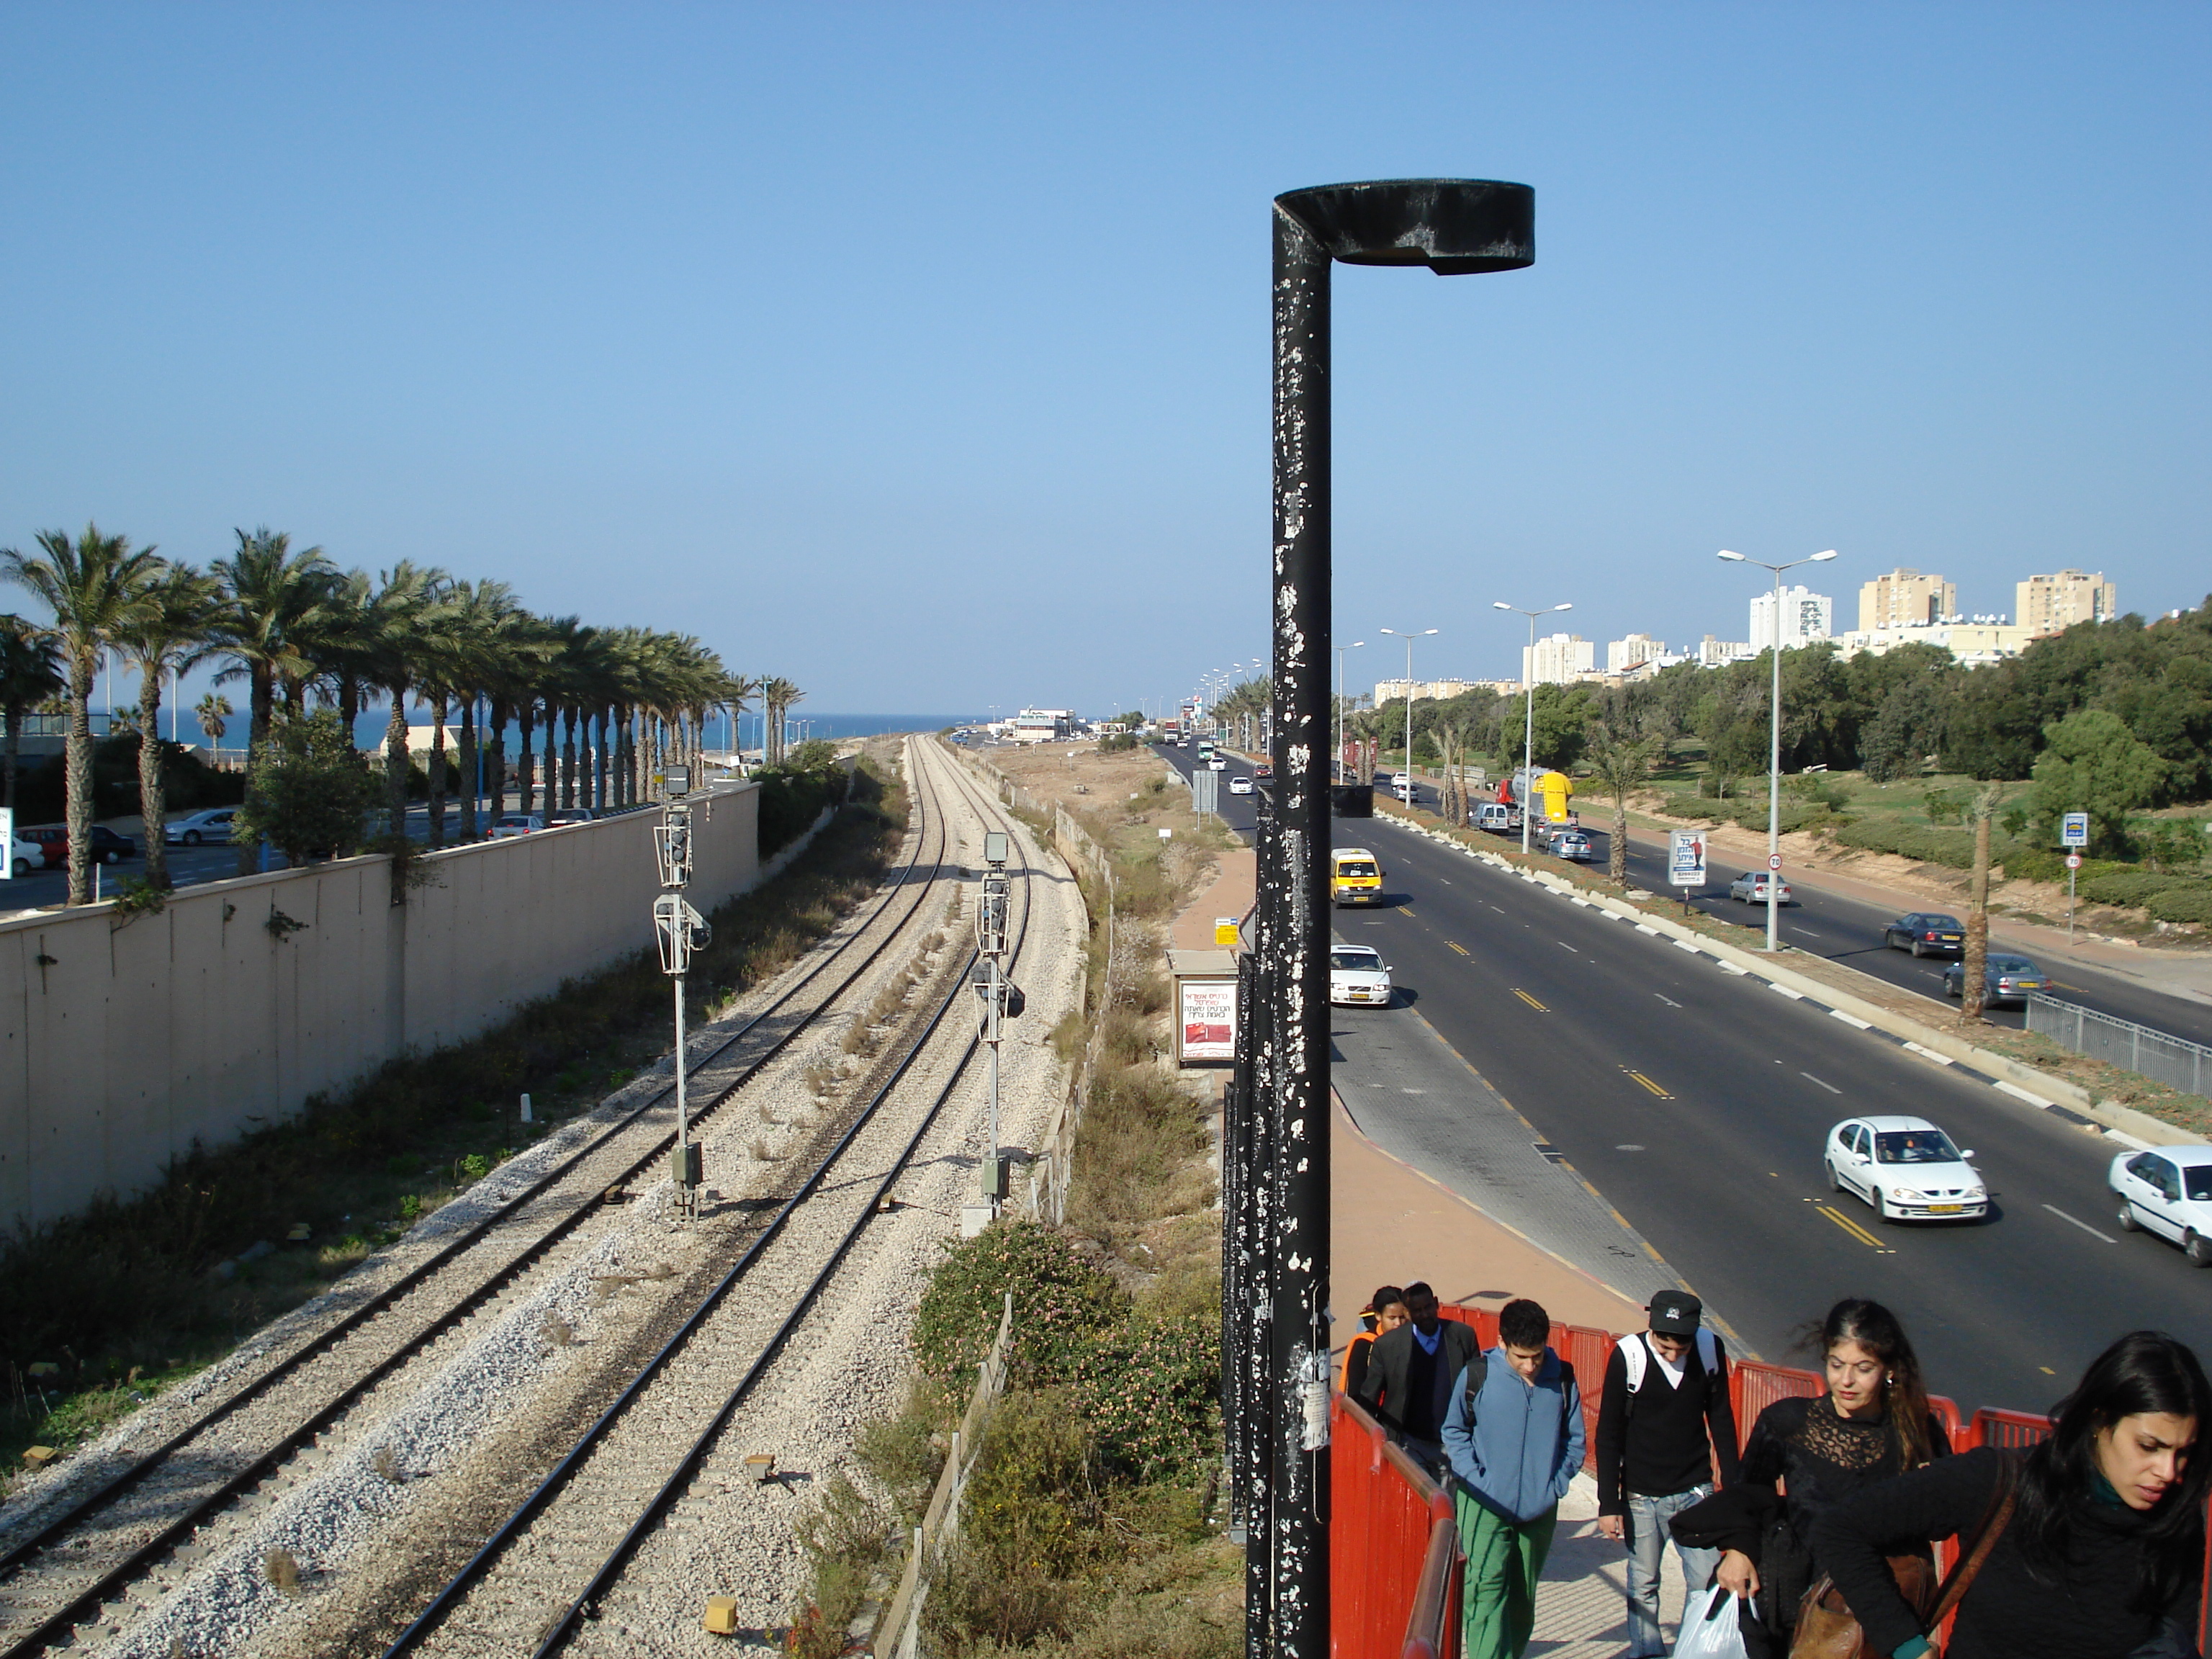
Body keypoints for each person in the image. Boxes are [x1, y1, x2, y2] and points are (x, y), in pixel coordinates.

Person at [1817, 1330, 2208, 1659]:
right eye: (2149, 1446)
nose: (2168, 1472)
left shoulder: (2178, 1520)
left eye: (2184, 1452)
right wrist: (1905, 1645)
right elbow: (1841, 1529)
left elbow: (2175, 1634)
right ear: (2098, 1421)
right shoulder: (1998, 1479)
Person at [1671, 1297, 1950, 1656]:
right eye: (1837, 1365)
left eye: (1863, 1368)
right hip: (1798, 1599)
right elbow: (1749, 1494)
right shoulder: (1788, 1422)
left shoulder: (1917, 1431)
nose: (1846, 1381)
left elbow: (1941, 1524)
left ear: (1889, 1370)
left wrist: (1931, 1494)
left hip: (1884, 1607)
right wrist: (1738, 1550)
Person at [1594, 1290, 1741, 1659]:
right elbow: (1609, 1434)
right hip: (1642, 1495)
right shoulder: (1627, 1357)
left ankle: (1696, 1651)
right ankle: (1648, 1653)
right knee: (1643, 1583)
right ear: (1651, 1329)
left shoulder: (1709, 1351)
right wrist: (1608, 1504)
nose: (1674, 1354)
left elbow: (1721, 1420)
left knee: (1706, 1584)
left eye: (1682, 1347)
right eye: (1665, 1346)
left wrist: (1736, 1491)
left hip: (1696, 1490)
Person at [1442, 1298, 1585, 1659]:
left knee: (1523, 1597)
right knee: (1484, 1590)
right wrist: (1477, 1481)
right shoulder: (1478, 1374)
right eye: (1522, 1356)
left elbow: (1575, 1441)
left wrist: (1554, 1486)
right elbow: (1454, 1431)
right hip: (1482, 1506)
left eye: (1537, 1356)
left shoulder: (1562, 1378)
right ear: (1503, 1342)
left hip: (1538, 1512)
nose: (1530, 1365)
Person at [1356, 1281, 1481, 1477]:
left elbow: (1478, 1389)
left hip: (1452, 1443)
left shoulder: (1463, 1336)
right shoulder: (1387, 1346)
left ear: (1436, 1303)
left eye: (1428, 1307)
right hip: (1409, 1442)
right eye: (1417, 1310)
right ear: (1406, 1313)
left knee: (1447, 1505)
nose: (1424, 1315)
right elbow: (1369, 1398)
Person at [1341, 1285, 1410, 1398]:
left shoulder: (1413, 1338)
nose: (1398, 1323)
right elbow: (1356, 1392)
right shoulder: (1364, 1344)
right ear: (1378, 1316)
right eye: (1392, 1318)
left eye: (1402, 1317)